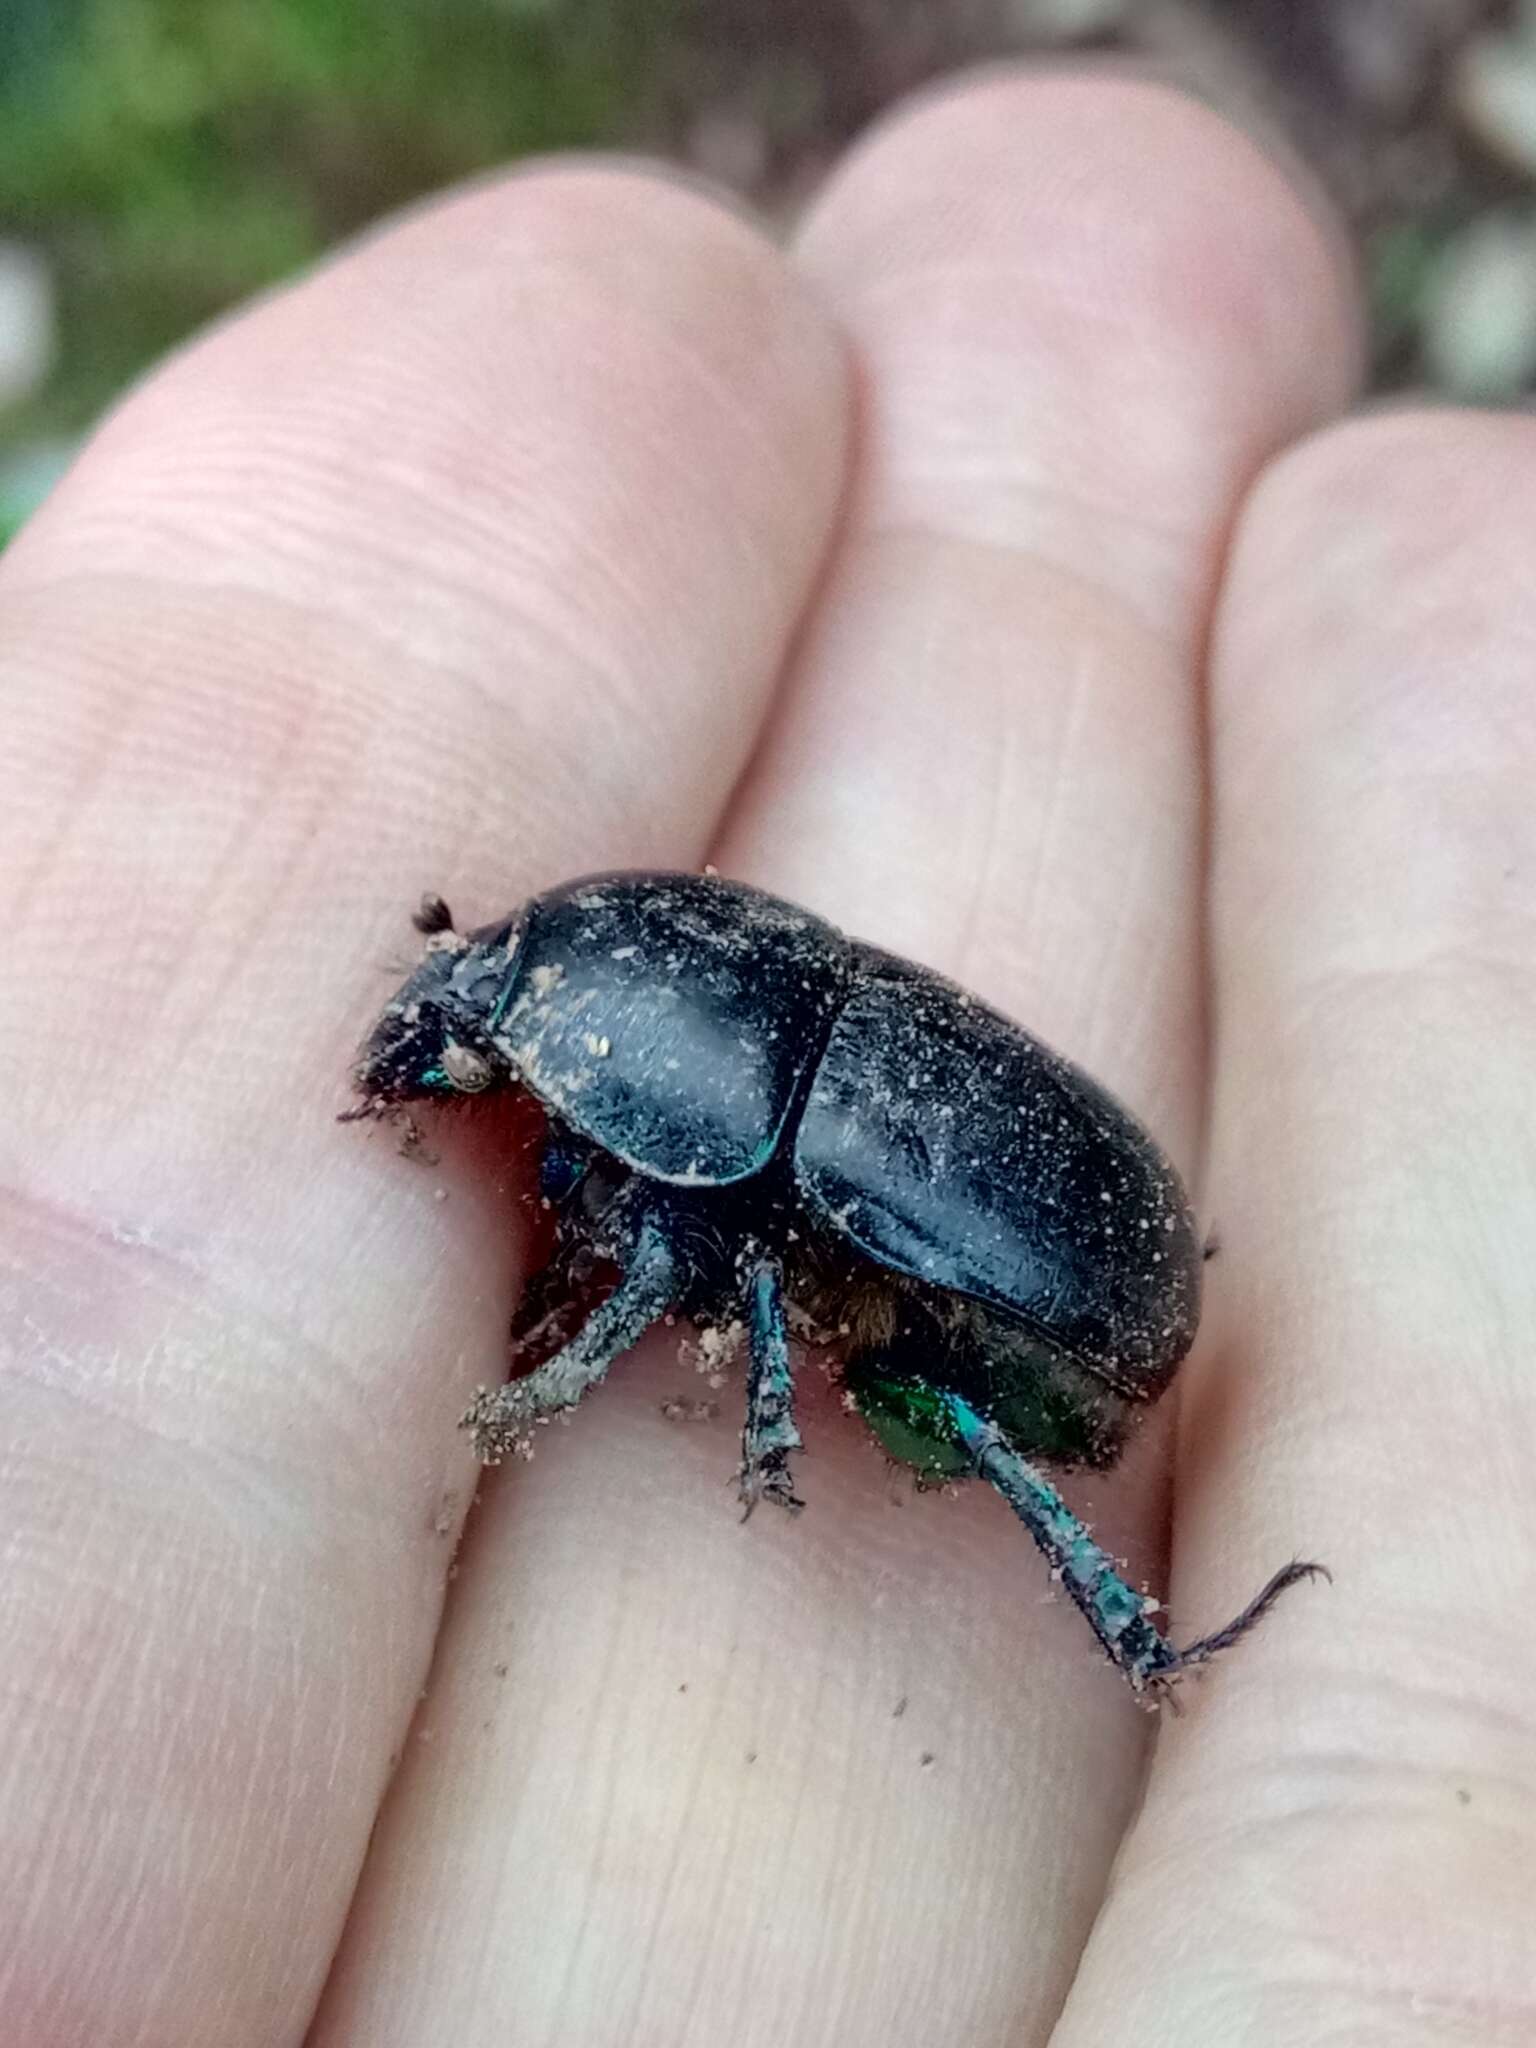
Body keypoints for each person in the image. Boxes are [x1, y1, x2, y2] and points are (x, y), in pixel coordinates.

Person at [2, 65, 1529, 2048]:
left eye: (540, 1027)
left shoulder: (732, 1153)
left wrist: (557, 1382)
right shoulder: (724, 1040)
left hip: (1064, 1316)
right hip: (1048, 1208)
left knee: (945, 1417)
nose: (512, 1042)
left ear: (653, 1040)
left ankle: (1136, 1639)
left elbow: (667, 1252)